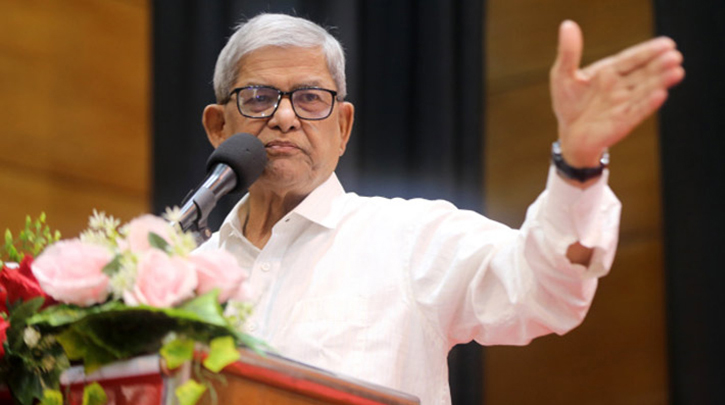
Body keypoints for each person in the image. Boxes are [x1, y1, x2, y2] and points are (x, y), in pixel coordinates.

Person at [197, 13, 684, 405]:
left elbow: (542, 288)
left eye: (309, 98)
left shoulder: (411, 237)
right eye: (259, 98)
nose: (284, 117)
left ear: (343, 127)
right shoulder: (183, 275)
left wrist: (578, 163)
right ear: (219, 127)